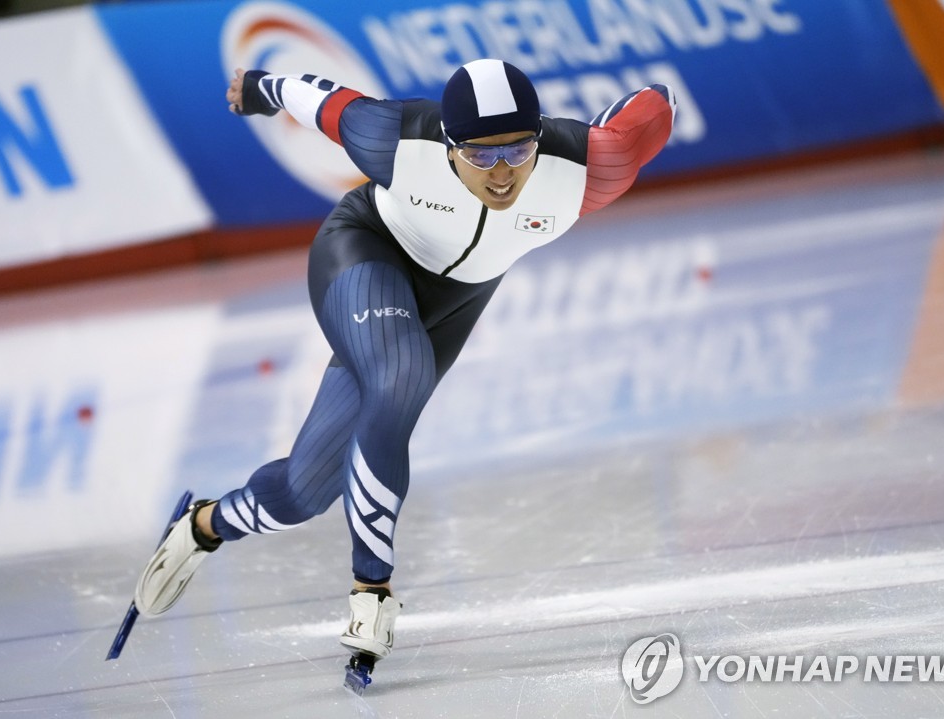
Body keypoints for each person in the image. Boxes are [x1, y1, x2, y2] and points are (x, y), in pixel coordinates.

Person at [134, 58, 675, 667]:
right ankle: (372, 587)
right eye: (479, 156)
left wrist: (634, 111)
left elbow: (652, 109)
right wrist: (259, 88)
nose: (501, 175)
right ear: (446, 146)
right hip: (365, 253)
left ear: (540, 140)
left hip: (458, 301)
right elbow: (321, 99)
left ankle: (205, 524)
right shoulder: (396, 139)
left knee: (303, 492)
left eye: (518, 152)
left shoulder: (589, 168)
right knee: (400, 376)